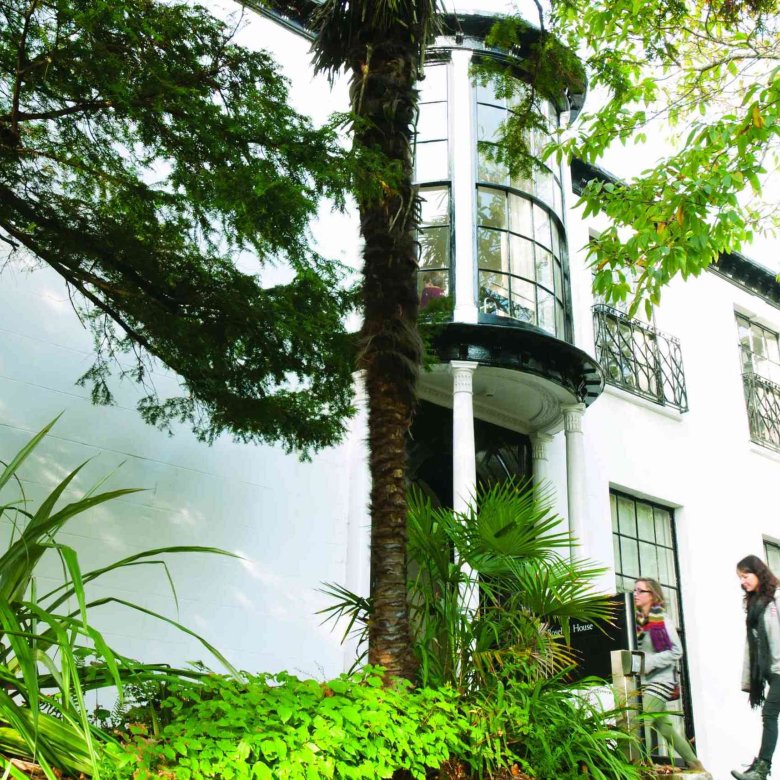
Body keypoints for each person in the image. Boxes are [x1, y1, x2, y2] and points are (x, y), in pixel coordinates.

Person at [634, 578, 710, 775]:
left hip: (661, 680)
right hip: (645, 681)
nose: (635, 594)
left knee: (642, 721)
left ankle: (641, 765)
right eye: (634, 590)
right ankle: (694, 763)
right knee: (664, 727)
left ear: (653, 595)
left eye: (640, 591)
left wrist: (648, 663)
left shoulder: (662, 621)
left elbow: (677, 651)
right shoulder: (638, 622)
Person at [731, 555, 780, 780]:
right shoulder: (754, 606)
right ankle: (761, 767)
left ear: (758, 572)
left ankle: (761, 769)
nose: (743, 581)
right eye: (740, 578)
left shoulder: (776, 598)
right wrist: (749, 679)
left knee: (769, 714)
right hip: (771, 672)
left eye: (745, 575)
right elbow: (751, 644)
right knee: (769, 715)